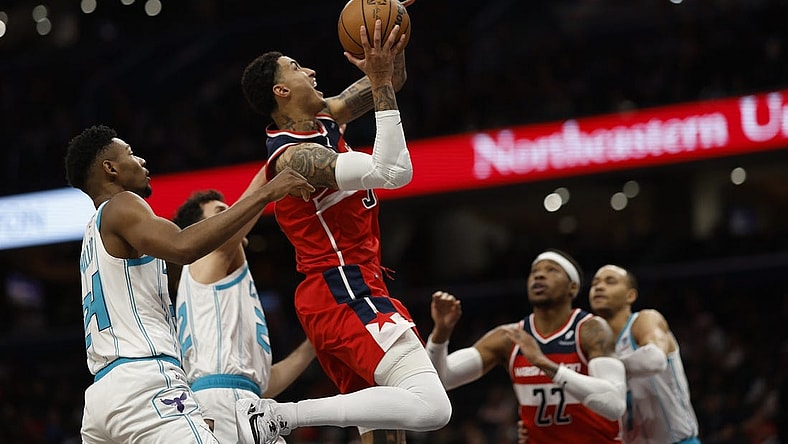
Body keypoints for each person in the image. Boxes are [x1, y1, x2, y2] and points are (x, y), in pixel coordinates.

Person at [234, 18, 451, 444]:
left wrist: (390, 33)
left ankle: (281, 417)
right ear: (281, 91)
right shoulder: (295, 158)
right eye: (296, 67)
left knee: (387, 434)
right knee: (432, 406)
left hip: (340, 292)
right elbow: (392, 171)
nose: (311, 70)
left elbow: (392, 79)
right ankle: (280, 416)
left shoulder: (325, 117)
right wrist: (382, 80)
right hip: (343, 290)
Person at [65, 124, 314, 443]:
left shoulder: (91, 235)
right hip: (145, 383)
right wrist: (267, 192)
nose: (141, 161)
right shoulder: (123, 204)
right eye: (130, 153)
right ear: (109, 168)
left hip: (102, 399)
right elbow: (184, 246)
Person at [428, 249, 626, 444]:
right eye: (534, 271)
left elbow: (615, 404)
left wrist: (544, 363)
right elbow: (442, 379)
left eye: (552, 270)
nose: (539, 275)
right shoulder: (509, 337)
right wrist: (440, 334)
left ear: (572, 288)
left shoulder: (591, 329)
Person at [172, 180, 316, 443]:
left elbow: (261, 382)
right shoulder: (206, 257)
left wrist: (313, 345)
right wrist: (273, 174)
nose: (231, 214)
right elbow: (236, 222)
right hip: (218, 402)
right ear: (203, 230)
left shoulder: (226, 282)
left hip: (246, 400)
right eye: (220, 213)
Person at [589, 264, 700, 444]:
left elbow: (654, 360)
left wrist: (607, 368)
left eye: (610, 282)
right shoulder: (596, 346)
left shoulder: (645, 320)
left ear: (630, 295)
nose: (599, 287)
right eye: (595, 283)